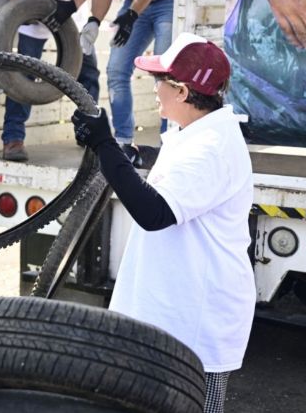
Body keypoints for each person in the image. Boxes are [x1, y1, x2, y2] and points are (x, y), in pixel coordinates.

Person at [71, 33, 255, 413]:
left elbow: (153, 213)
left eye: (160, 81)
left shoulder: (210, 150)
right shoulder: (196, 132)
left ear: (183, 92)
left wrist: (106, 147)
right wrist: (133, 154)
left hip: (195, 320)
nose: (154, 88)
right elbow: (173, 161)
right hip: (173, 310)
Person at [0, 0, 99, 162]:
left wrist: (72, 5)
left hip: (71, 18)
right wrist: (19, 10)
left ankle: (91, 134)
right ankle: (13, 139)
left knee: (89, 74)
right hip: (31, 19)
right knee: (21, 79)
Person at [80, 0, 176, 165]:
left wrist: (132, 14)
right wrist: (94, 20)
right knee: (116, 71)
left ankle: (169, 145)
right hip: (133, 3)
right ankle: (123, 142)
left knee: (166, 74)